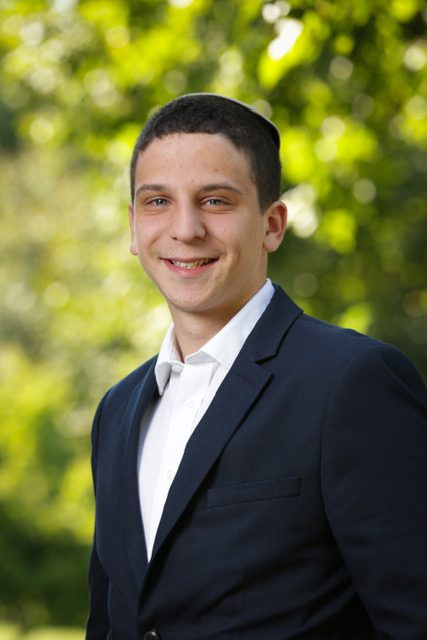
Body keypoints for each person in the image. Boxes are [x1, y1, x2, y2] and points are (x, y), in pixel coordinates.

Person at [86, 93, 427, 640]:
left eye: (216, 201)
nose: (185, 228)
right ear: (133, 226)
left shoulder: (352, 382)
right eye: (158, 202)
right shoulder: (117, 410)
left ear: (272, 224)